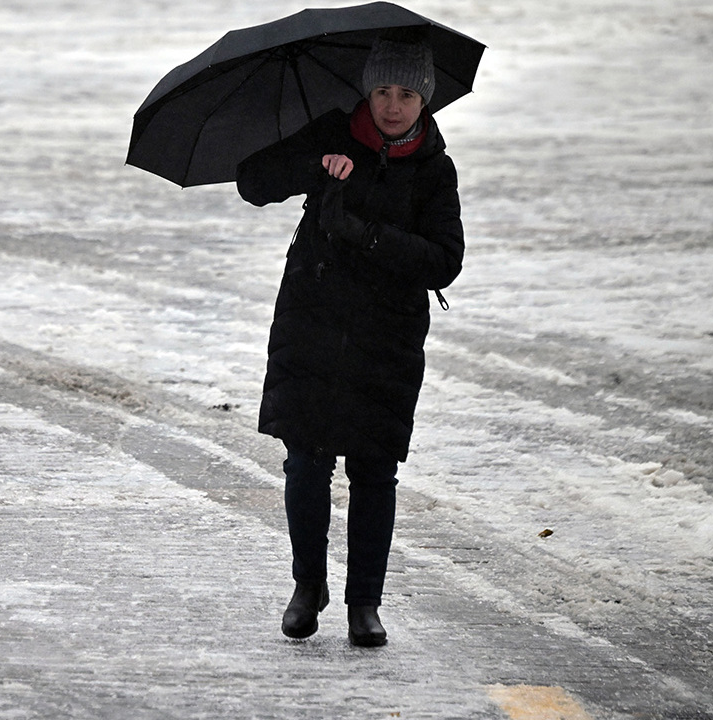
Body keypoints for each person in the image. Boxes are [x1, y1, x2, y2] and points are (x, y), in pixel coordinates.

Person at [235, 32, 464, 646]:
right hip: (311, 324)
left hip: (384, 339)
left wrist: (366, 236)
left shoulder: (435, 170)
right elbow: (252, 180)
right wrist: (315, 166)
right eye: (384, 90)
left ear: (425, 100)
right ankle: (307, 586)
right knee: (305, 462)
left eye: (408, 93)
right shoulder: (332, 134)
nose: (393, 105)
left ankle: (366, 604)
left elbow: (445, 261)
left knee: (374, 471)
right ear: (368, 89)